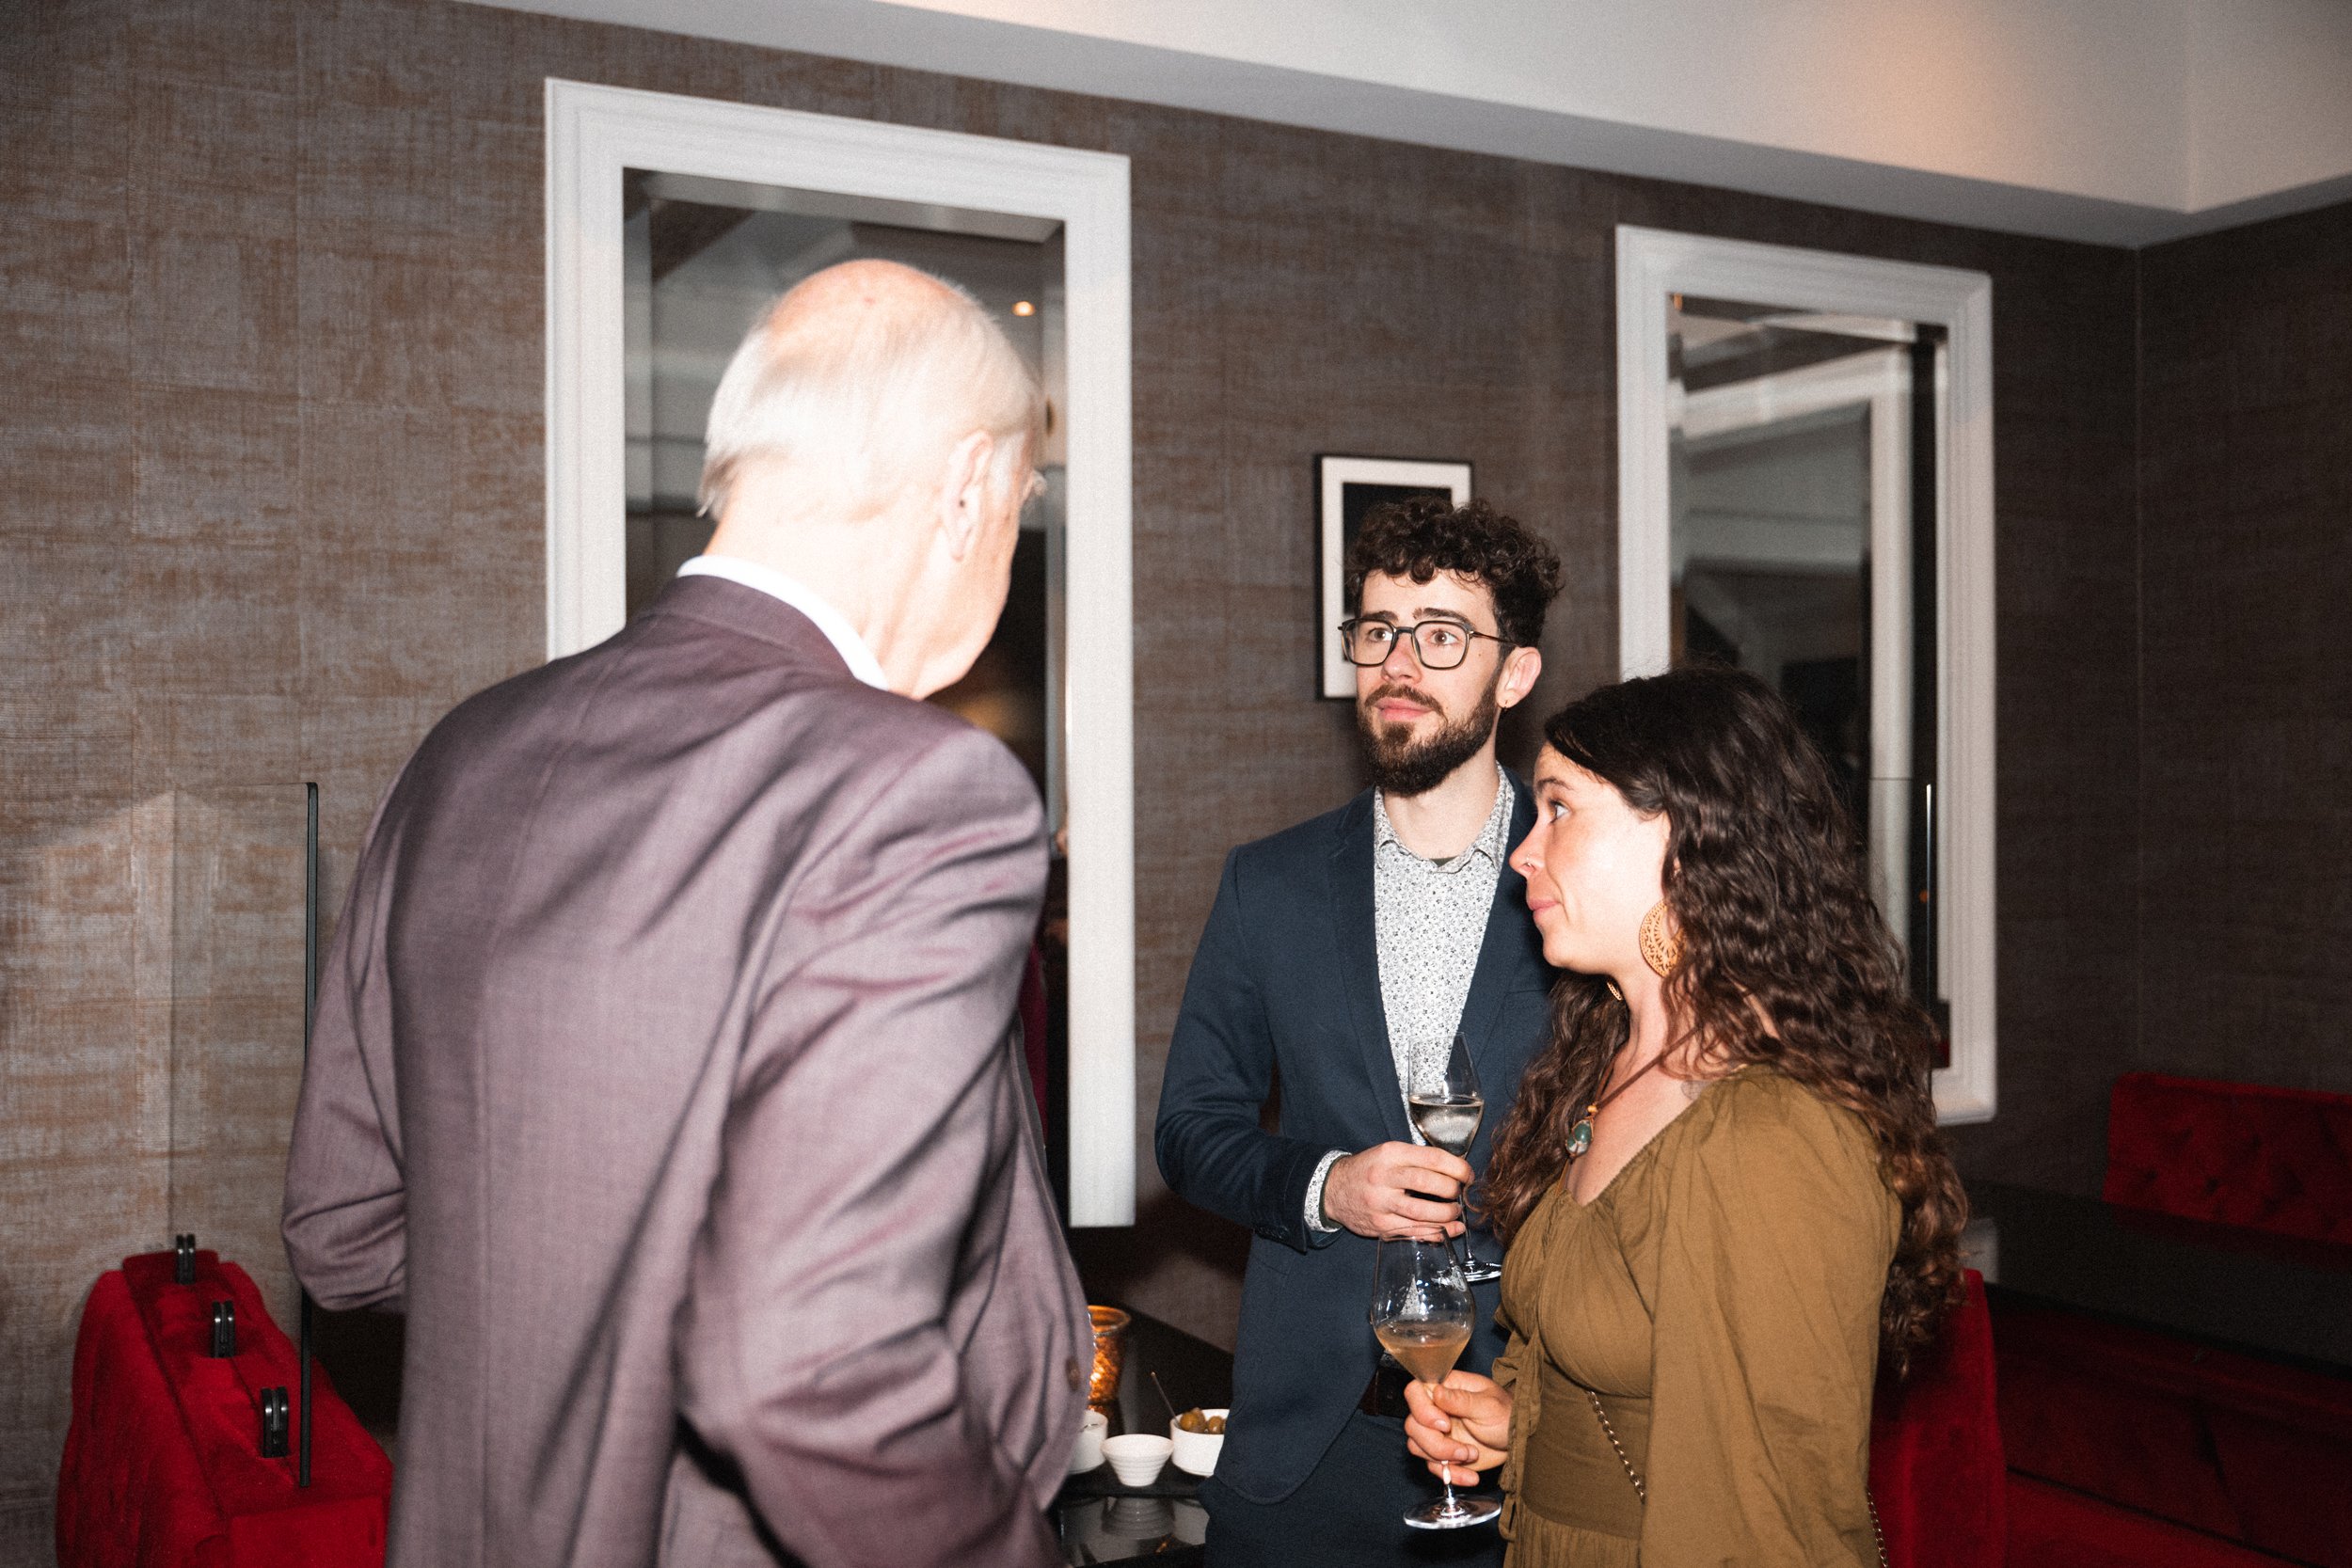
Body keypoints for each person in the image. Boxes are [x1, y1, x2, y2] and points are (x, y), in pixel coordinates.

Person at [282, 261, 1090, 1568]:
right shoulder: (918, 786)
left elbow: (343, 1231)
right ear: (964, 489)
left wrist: (595, 1328)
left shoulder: (463, 752)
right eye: (1020, 502)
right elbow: (809, 1357)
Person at [1400, 665, 1969, 1568]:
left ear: (1682, 833)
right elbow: (1626, 1384)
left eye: (1558, 808)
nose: (1522, 851)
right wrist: (1522, 1431)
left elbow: (1765, 1523)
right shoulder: (1609, 1061)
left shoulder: (1777, 1135)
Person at [1156, 496, 1565, 1565]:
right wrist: (1327, 1184)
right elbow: (1191, 1127)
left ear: (1513, 673)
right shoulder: (1269, 883)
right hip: (1307, 1440)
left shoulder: (1583, 877)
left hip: (1524, 1435)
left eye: (1441, 634)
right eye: (1376, 629)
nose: (1398, 661)